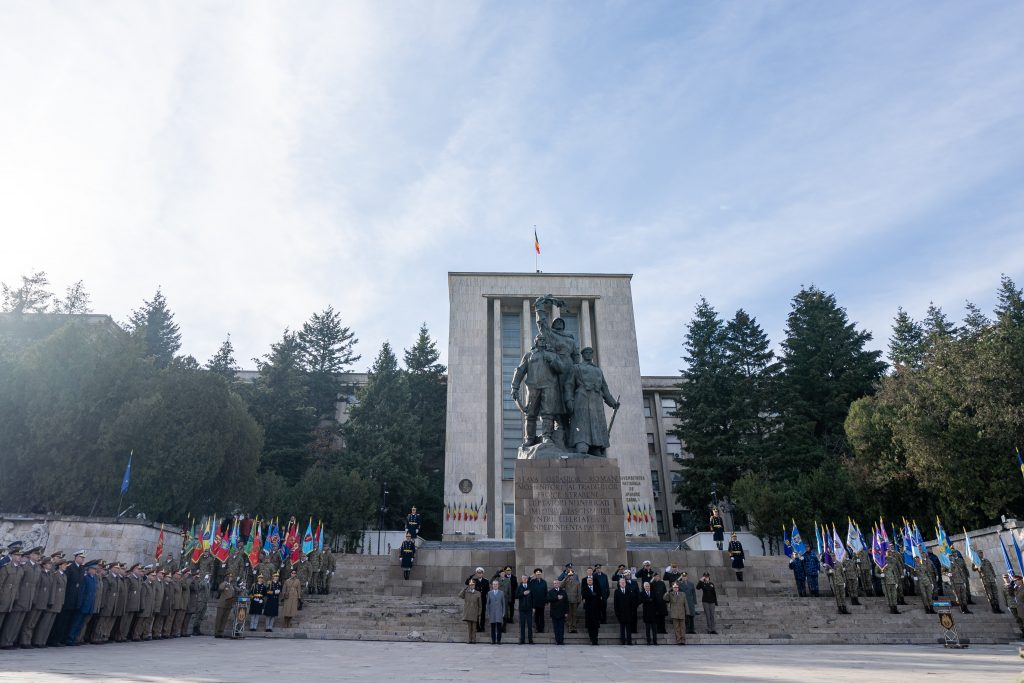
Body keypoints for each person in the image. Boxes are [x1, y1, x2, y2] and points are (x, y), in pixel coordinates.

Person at [511, 335, 568, 447]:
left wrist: (552, 361)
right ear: (536, 341)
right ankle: (529, 439)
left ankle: (546, 436)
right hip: (533, 387)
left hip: (549, 387)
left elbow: (562, 369)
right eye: (539, 339)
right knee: (530, 414)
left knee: (548, 413)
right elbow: (520, 371)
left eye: (543, 339)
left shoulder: (552, 355)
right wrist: (515, 387)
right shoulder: (529, 355)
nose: (541, 341)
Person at [563, 347, 621, 456]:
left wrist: (613, 403)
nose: (588, 354)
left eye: (590, 352)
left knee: (596, 422)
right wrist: (569, 400)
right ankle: (581, 443)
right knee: (581, 421)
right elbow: (569, 385)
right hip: (581, 397)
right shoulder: (576, 368)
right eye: (586, 353)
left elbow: (605, 388)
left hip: (596, 399)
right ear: (583, 355)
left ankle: (596, 446)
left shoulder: (598, 370)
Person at [465, 567, 489, 632]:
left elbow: (488, 590)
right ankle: (477, 627)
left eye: (481, 573)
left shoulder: (486, 581)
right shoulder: (474, 580)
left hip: (483, 600)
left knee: (483, 614)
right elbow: (466, 583)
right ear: (476, 573)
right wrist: (470, 577)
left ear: (483, 574)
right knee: (476, 614)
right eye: (478, 573)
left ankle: (482, 627)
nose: (479, 574)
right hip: (476, 600)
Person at [612, 578, 635, 645]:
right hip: (621, 613)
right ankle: (623, 641)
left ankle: (629, 641)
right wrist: (617, 613)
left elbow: (632, 602)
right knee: (622, 628)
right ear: (619, 584)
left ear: (625, 583)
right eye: (621, 582)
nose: (622, 583)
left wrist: (632, 611)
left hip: (628, 613)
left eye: (624, 582)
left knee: (628, 628)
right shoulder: (617, 591)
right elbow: (615, 603)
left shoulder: (629, 590)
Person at [458, 579, 481, 644]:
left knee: (474, 628)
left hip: (474, 612)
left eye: (473, 585)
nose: (471, 586)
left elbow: (480, 605)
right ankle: (469, 639)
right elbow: (460, 595)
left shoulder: (478, 593)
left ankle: (474, 639)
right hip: (468, 612)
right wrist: (465, 589)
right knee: (469, 628)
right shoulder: (466, 592)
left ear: (474, 585)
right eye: (470, 585)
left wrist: (479, 613)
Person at [214, 572, 236, 638]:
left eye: (231, 577)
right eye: (229, 577)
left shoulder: (231, 585)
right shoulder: (224, 584)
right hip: (222, 604)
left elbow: (233, 593)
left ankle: (221, 632)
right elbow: (220, 588)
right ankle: (216, 633)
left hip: (229, 604)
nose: (231, 578)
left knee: (224, 619)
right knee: (219, 619)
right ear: (226, 577)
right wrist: (225, 582)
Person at [581, 576, 602, 645]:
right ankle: (591, 638)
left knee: (596, 626)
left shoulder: (596, 588)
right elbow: (584, 596)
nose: (590, 581)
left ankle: (595, 639)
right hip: (589, 610)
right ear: (587, 582)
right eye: (588, 581)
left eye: (591, 580)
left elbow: (599, 595)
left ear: (592, 581)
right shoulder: (584, 588)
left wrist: (593, 595)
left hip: (596, 609)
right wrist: (592, 594)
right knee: (590, 625)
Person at [547, 579, 568, 645]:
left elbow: (566, 602)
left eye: (557, 583)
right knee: (556, 627)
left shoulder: (563, 591)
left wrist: (566, 612)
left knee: (561, 627)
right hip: (554, 612)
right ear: (553, 584)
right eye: (555, 583)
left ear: (559, 584)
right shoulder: (551, 591)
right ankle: (557, 640)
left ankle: (561, 641)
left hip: (562, 612)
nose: (556, 584)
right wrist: (557, 598)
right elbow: (548, 599)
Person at [515, 575, 534, 644]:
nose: (525, 579)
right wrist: (523, 593)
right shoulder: (519, 587)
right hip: (522, 609)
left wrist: (533, 607)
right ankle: (522, 640)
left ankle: (530, 640)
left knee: (530, 625)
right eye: (523, 578)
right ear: (522, 579)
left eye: (526, 578)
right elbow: (516, 596)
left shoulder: (530, 586)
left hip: (529, 609)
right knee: (522, 625)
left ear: (527, 579)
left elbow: (533, 597)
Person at [639, 581, 660, 645]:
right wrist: (648, 600)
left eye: (648, 586)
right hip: (646, 613)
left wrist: (657, 611)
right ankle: (648, 641)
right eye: (646, 586)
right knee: (647, 629)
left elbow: (656, 601)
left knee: (654, 629)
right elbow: (641, 600)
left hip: (653, 613)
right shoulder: (642, 593)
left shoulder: (653, 593)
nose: (647, 587)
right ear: (644, 587)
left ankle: (655, 641)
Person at [486, 580, 506, 644]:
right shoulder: (489, 593)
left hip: (499, 612)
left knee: (499, 627)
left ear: (498, 585)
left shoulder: (501, 593)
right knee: (493, 627)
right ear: (492, 585)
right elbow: (488, 604)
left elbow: (503, 603)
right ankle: (493, 640)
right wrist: (488, 612)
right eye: (494, 584)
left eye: (496, 584)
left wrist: (503, 612)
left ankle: (499, 640)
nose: (495, 585)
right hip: (492, 612)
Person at [528, 568, 548, 634]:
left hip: (542, 602)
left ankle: (541, 628)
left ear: (541, 574)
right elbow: (527, 583)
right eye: (537, 574)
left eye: (539, 574)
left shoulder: (544, 582)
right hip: (535, 602)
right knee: (536, 616)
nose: (538, 575)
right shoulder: (532, 582)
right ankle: (536, 628)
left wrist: (546, 601)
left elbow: (546, 592)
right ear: (535, 574)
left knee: (542, 616)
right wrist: (530, 577)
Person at [562, 566, 580, 633]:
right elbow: (561, 585)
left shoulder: (577, 582)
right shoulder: (566, 582)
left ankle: (574, 627)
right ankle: (570, 627)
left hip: (575, 600)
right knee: (569, 614)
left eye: (572, 575)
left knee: (574, 614)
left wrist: (579, 600)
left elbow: (579, 592)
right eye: (570, 575)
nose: (571, 576)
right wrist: (566, 577)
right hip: (568, 601)